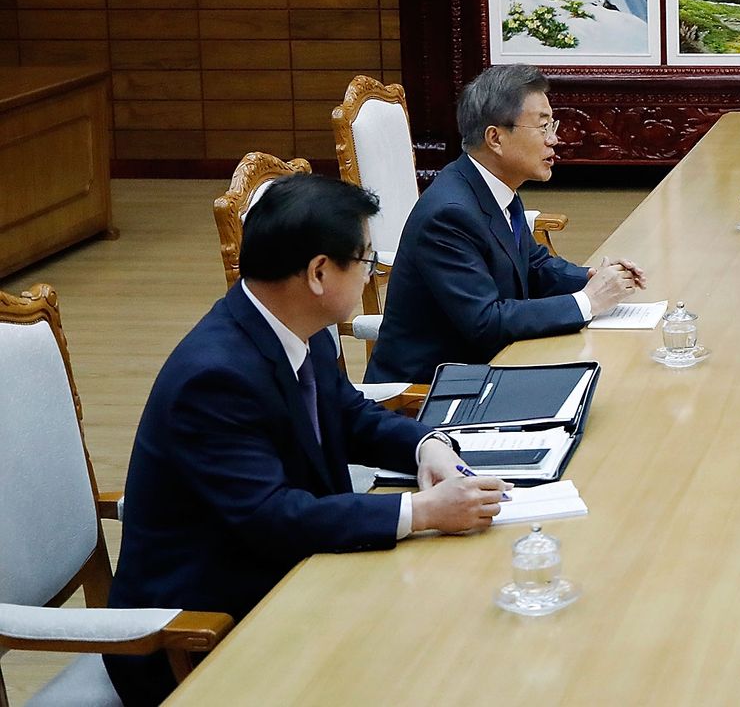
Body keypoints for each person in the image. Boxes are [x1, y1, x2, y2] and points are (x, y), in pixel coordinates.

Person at [107, 174, 509, 707]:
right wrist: (423, 513)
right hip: (200, 635)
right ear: (320, 272)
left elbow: (350, 416)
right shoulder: (215, 377)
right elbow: (270, 517)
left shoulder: (295, 326)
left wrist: (426, 445)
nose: (371, 270)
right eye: (364, 259)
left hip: (290, 581)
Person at [366, 64, 643, 385]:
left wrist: (596, 278)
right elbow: (485, 322)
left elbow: (534, 266)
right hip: (432, 391)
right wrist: (588, 301)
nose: (555, 140)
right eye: (542, 127)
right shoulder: (449, 214)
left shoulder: (494, 185)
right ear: (495, 138)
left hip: (490, 367)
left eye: (552, 125)